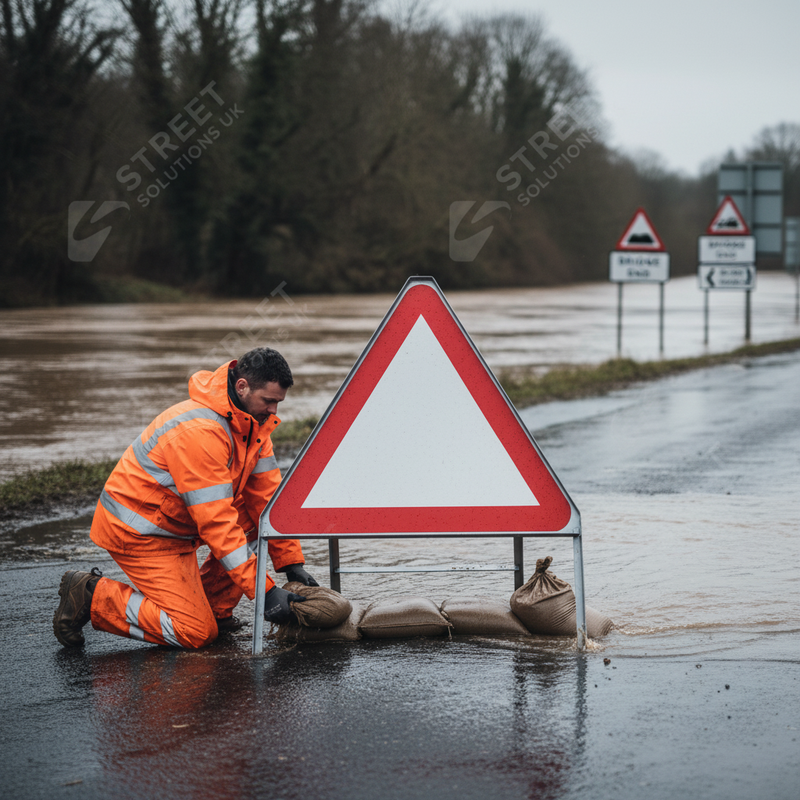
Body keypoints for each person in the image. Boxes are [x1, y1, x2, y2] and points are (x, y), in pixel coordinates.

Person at [53, 347, 318, 649]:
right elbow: (216, 524)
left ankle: (215, 611)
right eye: (268, 401)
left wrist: (289, 562)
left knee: (257, 519)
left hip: (177, 524)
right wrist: (266, 592)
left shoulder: (252, 424)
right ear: (242, 387)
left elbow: (267, 499)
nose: (274, 411)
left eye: (278, 403)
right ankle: (91, 595)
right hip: (141, 534)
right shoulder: (200, 431)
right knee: (195, 632)